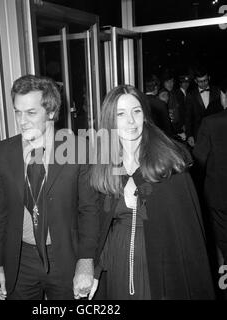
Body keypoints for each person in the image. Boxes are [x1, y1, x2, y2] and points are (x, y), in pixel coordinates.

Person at [88, 84, 215, 300]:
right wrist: (96, 270)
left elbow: (187, 236)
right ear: (110, 121)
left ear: (145, 116)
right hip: (119, 263)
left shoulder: (168, 162)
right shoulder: (105, 164)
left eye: (136, 111)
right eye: (121, 114)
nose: (130, 121)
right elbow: (102, 225)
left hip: (160, 264)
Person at [0, 74, 99, 300]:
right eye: (17, 112)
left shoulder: (78, 150)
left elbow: (90, 210)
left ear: (50, 112)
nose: (21, 120)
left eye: (30, 112)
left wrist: (86, 263)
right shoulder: (1, 153)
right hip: (19, 258)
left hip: (65, 256)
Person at [193, 79, 227, 265]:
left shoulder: (211, 123)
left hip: (219, 197)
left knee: (223, 242)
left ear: (223, 95)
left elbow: (198, 164)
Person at [185, 67, 222, 148]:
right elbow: (188, 117)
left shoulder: (217, 91)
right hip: (198, 133)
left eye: (205, 80)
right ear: (195, 81)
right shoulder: (191, 95)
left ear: (209, 78)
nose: (203, 84)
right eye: (200, 82)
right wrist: (189, 135)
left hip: (216, 132)